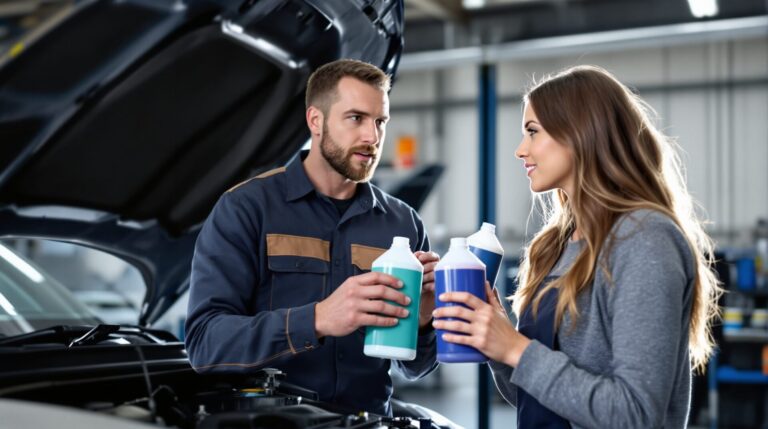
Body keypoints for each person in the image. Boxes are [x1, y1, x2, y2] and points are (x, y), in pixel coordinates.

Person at [432, 65, 721, 428]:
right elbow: (536, 399)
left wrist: (516, 349)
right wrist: (497, 342)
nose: (521, 150)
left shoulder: (644, 239)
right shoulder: (556, 245)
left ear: (580, 133)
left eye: (532, 132)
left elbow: (636, 414)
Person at [185, 59, 440, 416]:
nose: (372, 137)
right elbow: (205, 345)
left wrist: (425, 320)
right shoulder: (245, 209)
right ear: (315, 121)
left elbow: (416, 367)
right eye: (356, 118)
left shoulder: (403, 223)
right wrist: (317, 318)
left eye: (380, 121)